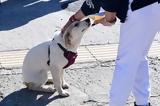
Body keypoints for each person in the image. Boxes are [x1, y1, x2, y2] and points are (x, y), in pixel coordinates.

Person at [62, 0, 160, 106]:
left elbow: (109, 10)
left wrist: (108, 18)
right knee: (139, 56)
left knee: (125, 64)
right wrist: (74, 18)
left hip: (140, 9)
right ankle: (143, 103)